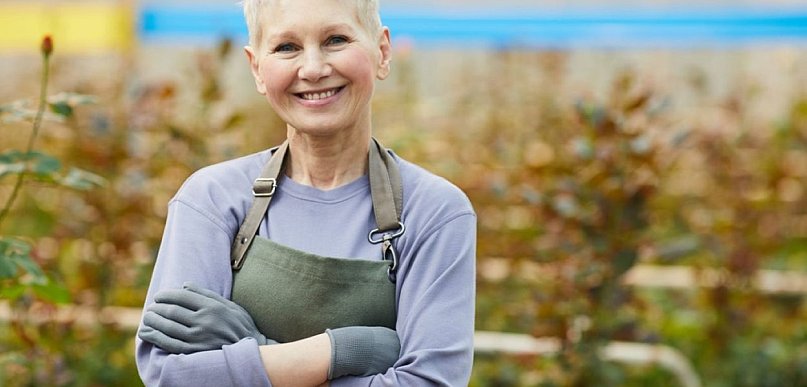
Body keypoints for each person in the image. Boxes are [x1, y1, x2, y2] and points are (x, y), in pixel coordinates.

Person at [135, 0, 477, 385]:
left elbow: (429, 381)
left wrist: (255, 346)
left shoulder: (433, 212)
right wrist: (340, 350)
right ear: (256, 69)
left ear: (382, 52)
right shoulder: (212, 199)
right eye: (287, 47)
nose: (313, 69)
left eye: (336, 40)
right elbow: (167, 374)